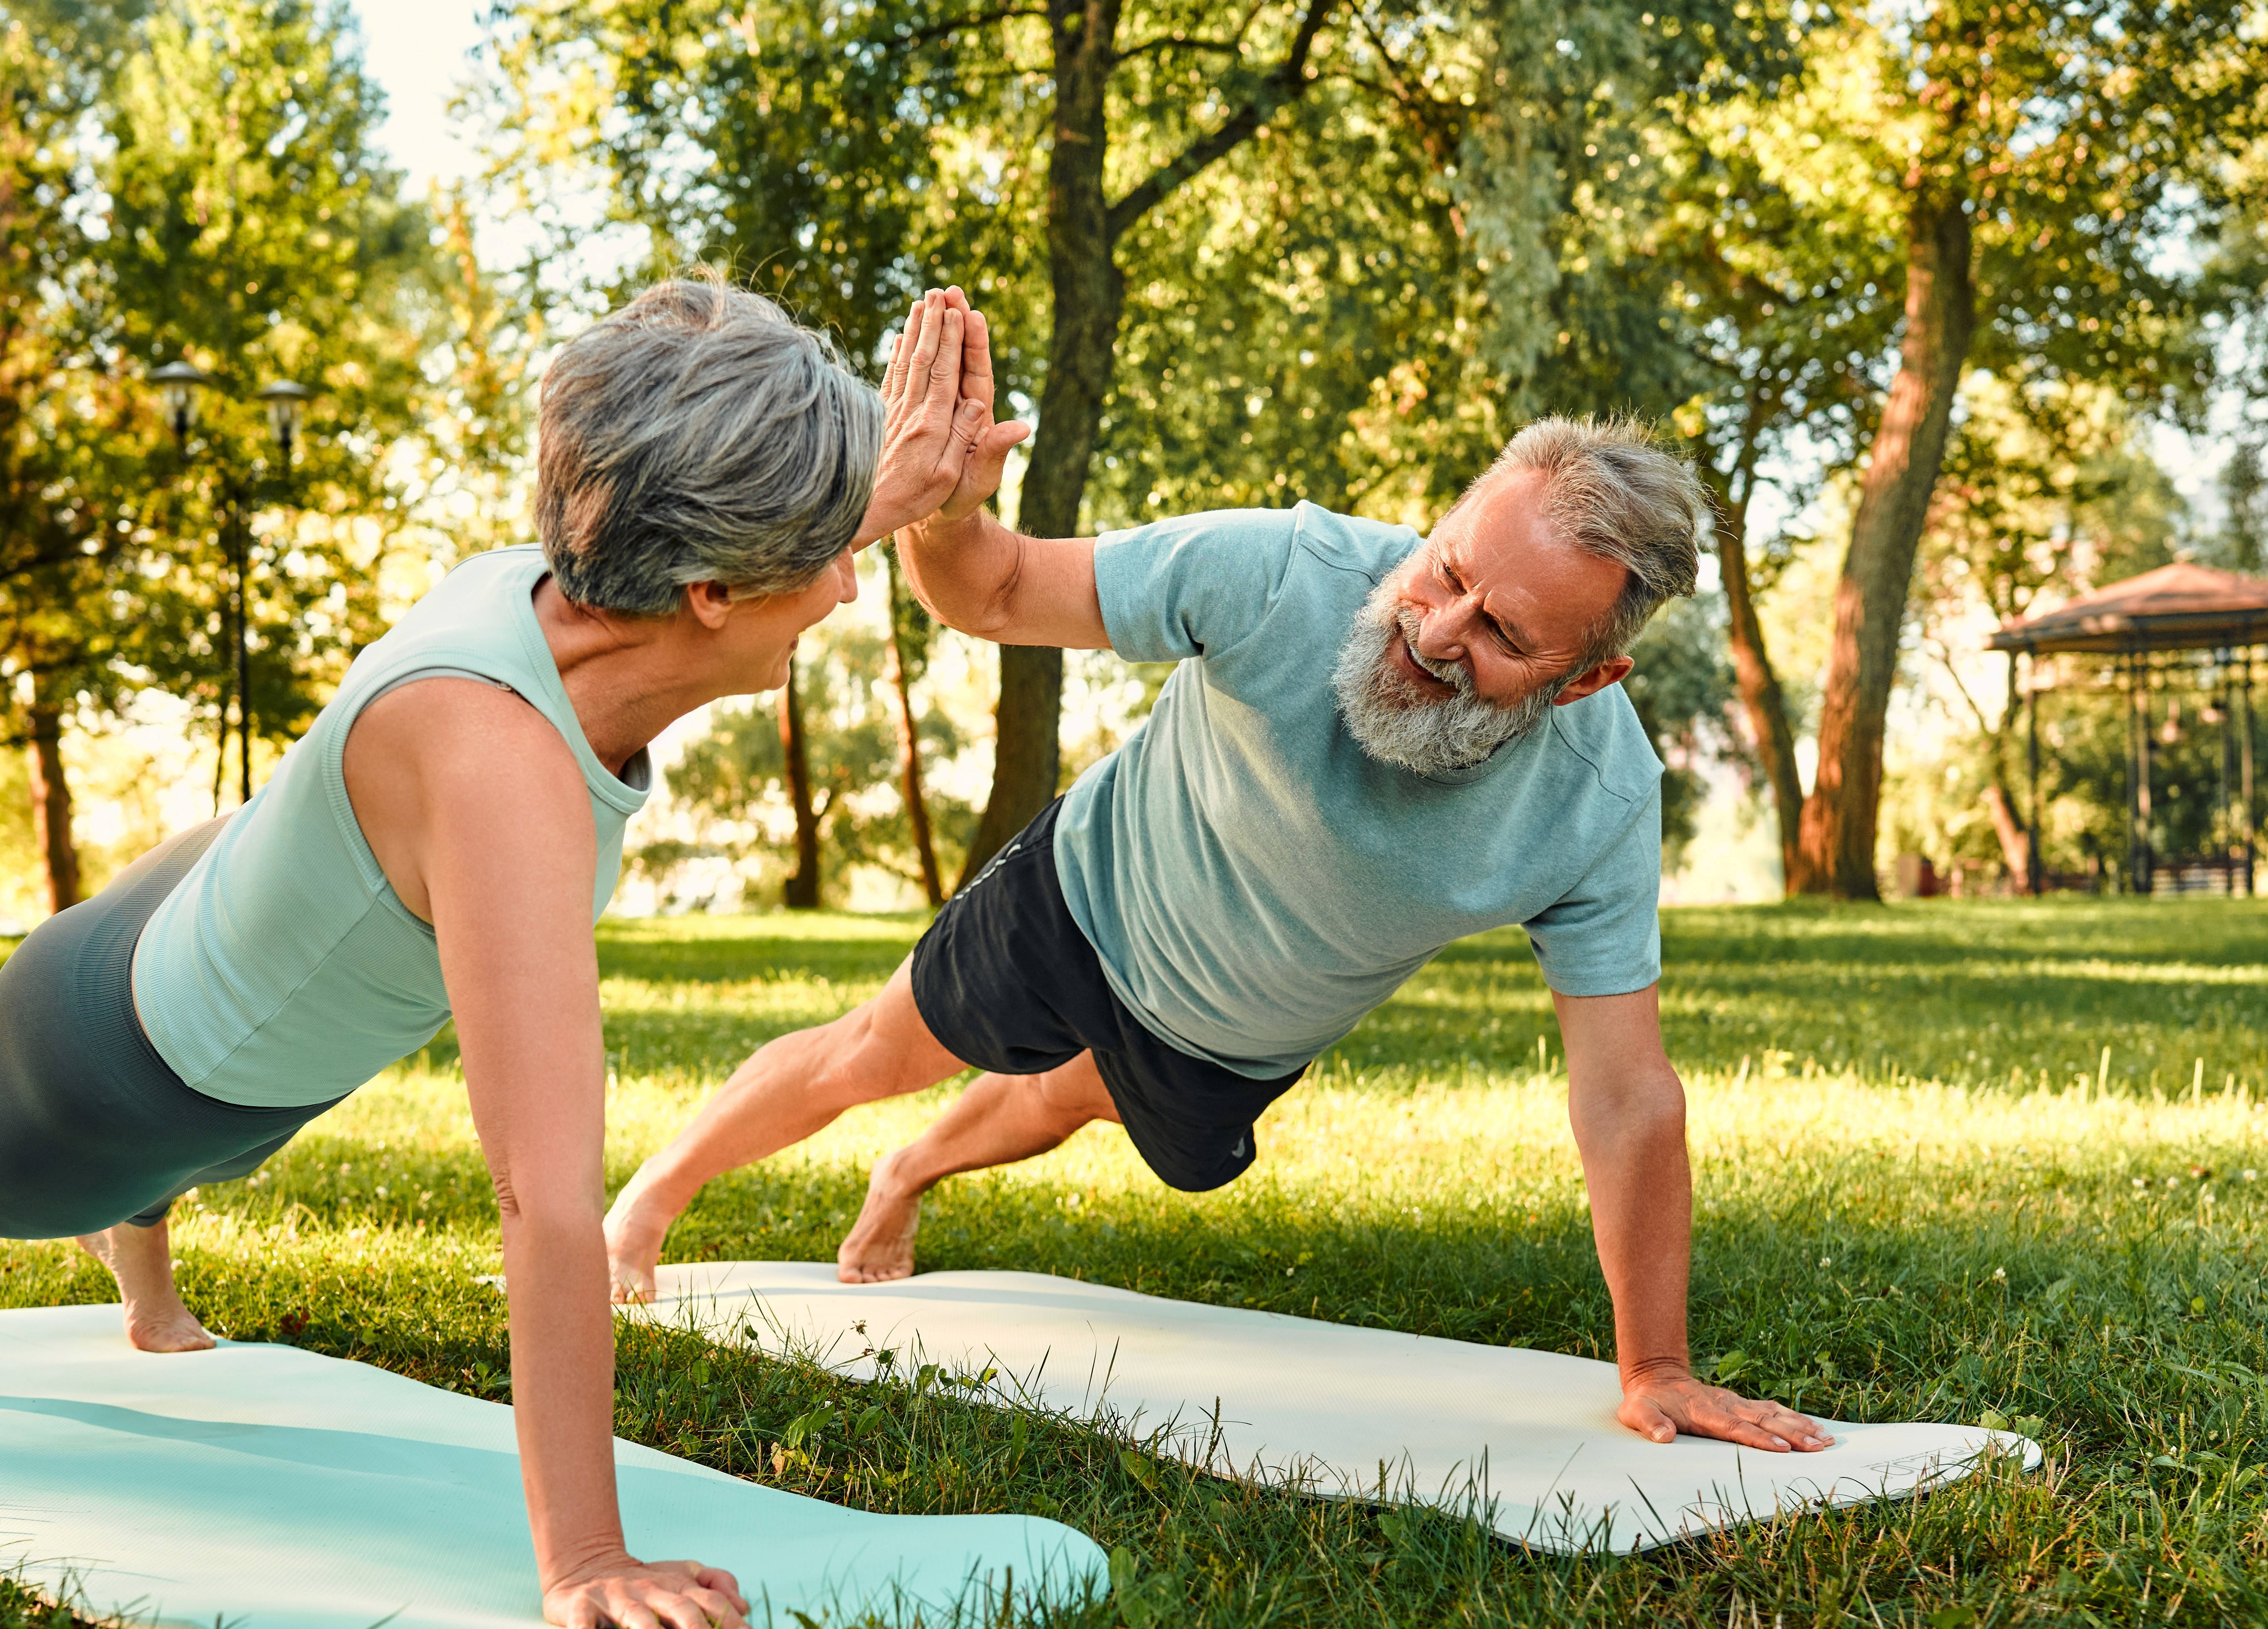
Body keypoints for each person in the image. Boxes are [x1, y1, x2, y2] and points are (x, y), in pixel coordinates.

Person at [0, 279, 1019, 1629]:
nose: (851, 585)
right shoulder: (498, 772)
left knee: (234, 1121)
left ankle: (142, 1241)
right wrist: (590, 1557)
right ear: (710, 587)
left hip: (221, 920)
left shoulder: (574, 577)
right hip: (108, 1071)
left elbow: (710, 557)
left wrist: (886, 496)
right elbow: (545, 1199)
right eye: (833, 555)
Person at [605, 297, 1828, 1456]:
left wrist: (1654, 1366)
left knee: (1070, 1099)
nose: (1438, 634)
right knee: (873, 1052)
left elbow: (1626, 1096)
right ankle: (650, 1203)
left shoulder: (1596, 804)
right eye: (1447, 571)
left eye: (1506, 638)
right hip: (1084, 900)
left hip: (1229, 1042)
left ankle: (911, 1168)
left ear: (1584, 683)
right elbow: (993, 591)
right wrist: (953, 512)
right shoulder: (1284, 572)